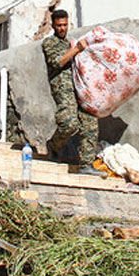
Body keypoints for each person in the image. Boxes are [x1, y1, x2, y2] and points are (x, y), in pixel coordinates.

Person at [42, 10, 105, 176]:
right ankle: (54, 145)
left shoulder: (70, 43)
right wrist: (77, 49)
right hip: (63, 90)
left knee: (90, 122)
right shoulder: (49, 43)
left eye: (64, 25)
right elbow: (58, 62)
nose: (62, 28)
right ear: (53, 25)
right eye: (59, 25)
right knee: (69, 123)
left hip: (80, 87)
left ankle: (86, 165)